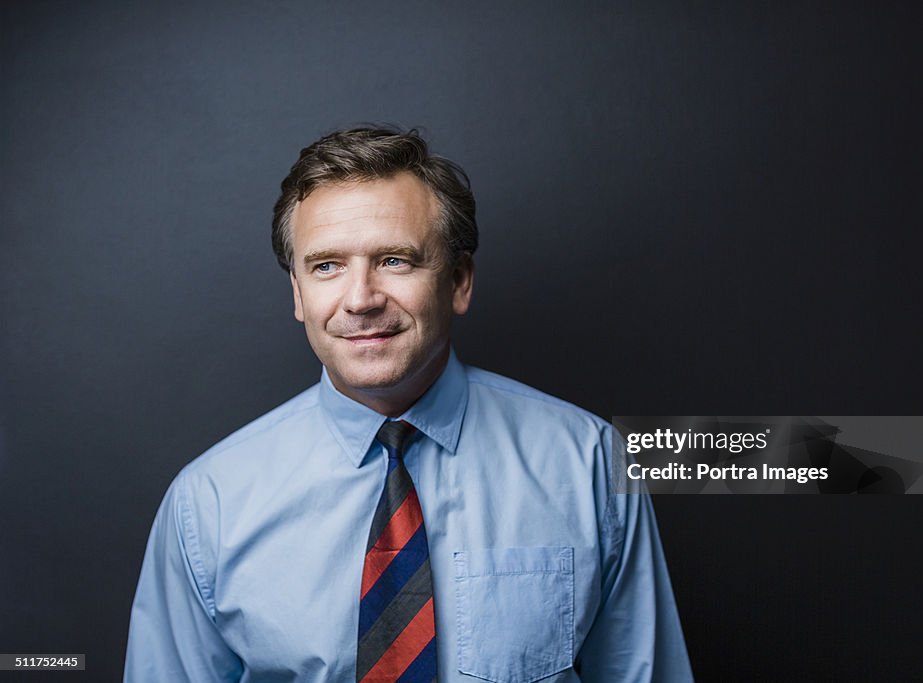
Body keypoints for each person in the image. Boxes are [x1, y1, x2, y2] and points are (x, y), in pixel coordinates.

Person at [124, 127, 692, 682]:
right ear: (298, 294)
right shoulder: (209, 504)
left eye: (395, 260)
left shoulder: (590, 462)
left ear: (459, 281)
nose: (361, 299)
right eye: (326, 266)